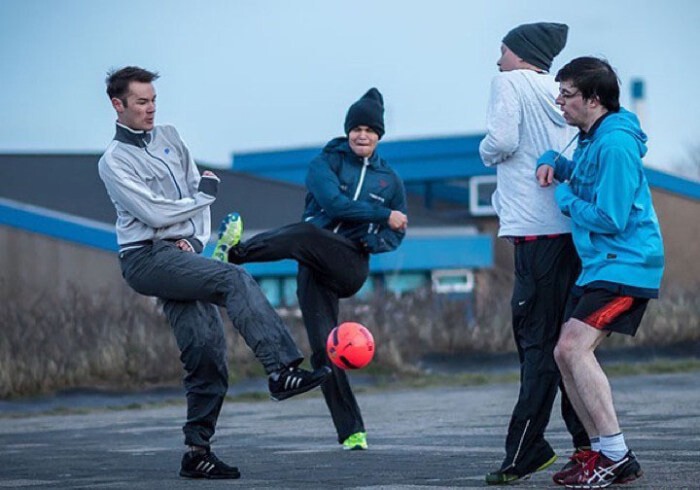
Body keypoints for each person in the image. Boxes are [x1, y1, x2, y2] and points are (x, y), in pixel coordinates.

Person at [97, 66, 331, 480]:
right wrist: (197, 201)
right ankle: (281, 370)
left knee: (206, 352)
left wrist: (196, 239)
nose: (150, 109)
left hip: (182, 254)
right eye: (141, 102)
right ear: (118, 105)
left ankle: (197, 452)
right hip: (144, 258)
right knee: (233, 279)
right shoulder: (114, 162)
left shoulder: (169, 136)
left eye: (153, 100)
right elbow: (153, 209)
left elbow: (198, 196)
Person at [213, 88, 408, 451]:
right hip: (313, 266)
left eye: (369, 129)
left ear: (379, 135)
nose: (362, 135)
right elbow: (334, 205)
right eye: (356, 128)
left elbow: (397, 232)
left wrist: (373, 240)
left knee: (303, 233)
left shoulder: (390, 181)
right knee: (325, 350)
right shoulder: (326, 164)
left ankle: (233, 255)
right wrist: (382, 216)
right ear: (347, 131)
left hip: (349, 263)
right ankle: (352, 432)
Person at [536, 56, 664, 488]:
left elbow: (610, 217)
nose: (560, 102)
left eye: (567, 94)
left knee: (573, 349)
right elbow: (585, 175)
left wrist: (566, 200)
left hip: (628, 264)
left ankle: (617, 453)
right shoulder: (590, 140)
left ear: (593, 99)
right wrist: (554, 158)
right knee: (562, 352)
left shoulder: (615, 145)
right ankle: (599, 451)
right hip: (601, 266)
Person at [478, 22, 590, 485]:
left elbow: (501, 142)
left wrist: (484, 152)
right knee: (568, 349)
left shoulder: (507, 82)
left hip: (534, 238)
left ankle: (527, 450)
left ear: (522, 54)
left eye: (502, 50)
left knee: (536, 343)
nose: (497, 59)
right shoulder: (559, 92)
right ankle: (591, 445)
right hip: (570, 234)